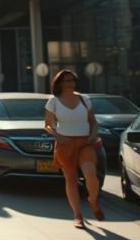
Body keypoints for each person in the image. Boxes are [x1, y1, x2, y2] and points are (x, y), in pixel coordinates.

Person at [44, 70, 103, 229]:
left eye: (73, 80)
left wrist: (93, 135)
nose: (71, 83)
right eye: (67, 81)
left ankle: (93, 200)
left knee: (90, 174)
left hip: (85, 142)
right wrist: (57, 136)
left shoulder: (84, 100)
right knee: (71, 180)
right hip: (65, 143)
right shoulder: (54, 101)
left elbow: (93, 122)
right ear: (60, 83)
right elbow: (48, 125)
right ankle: (77, 215)